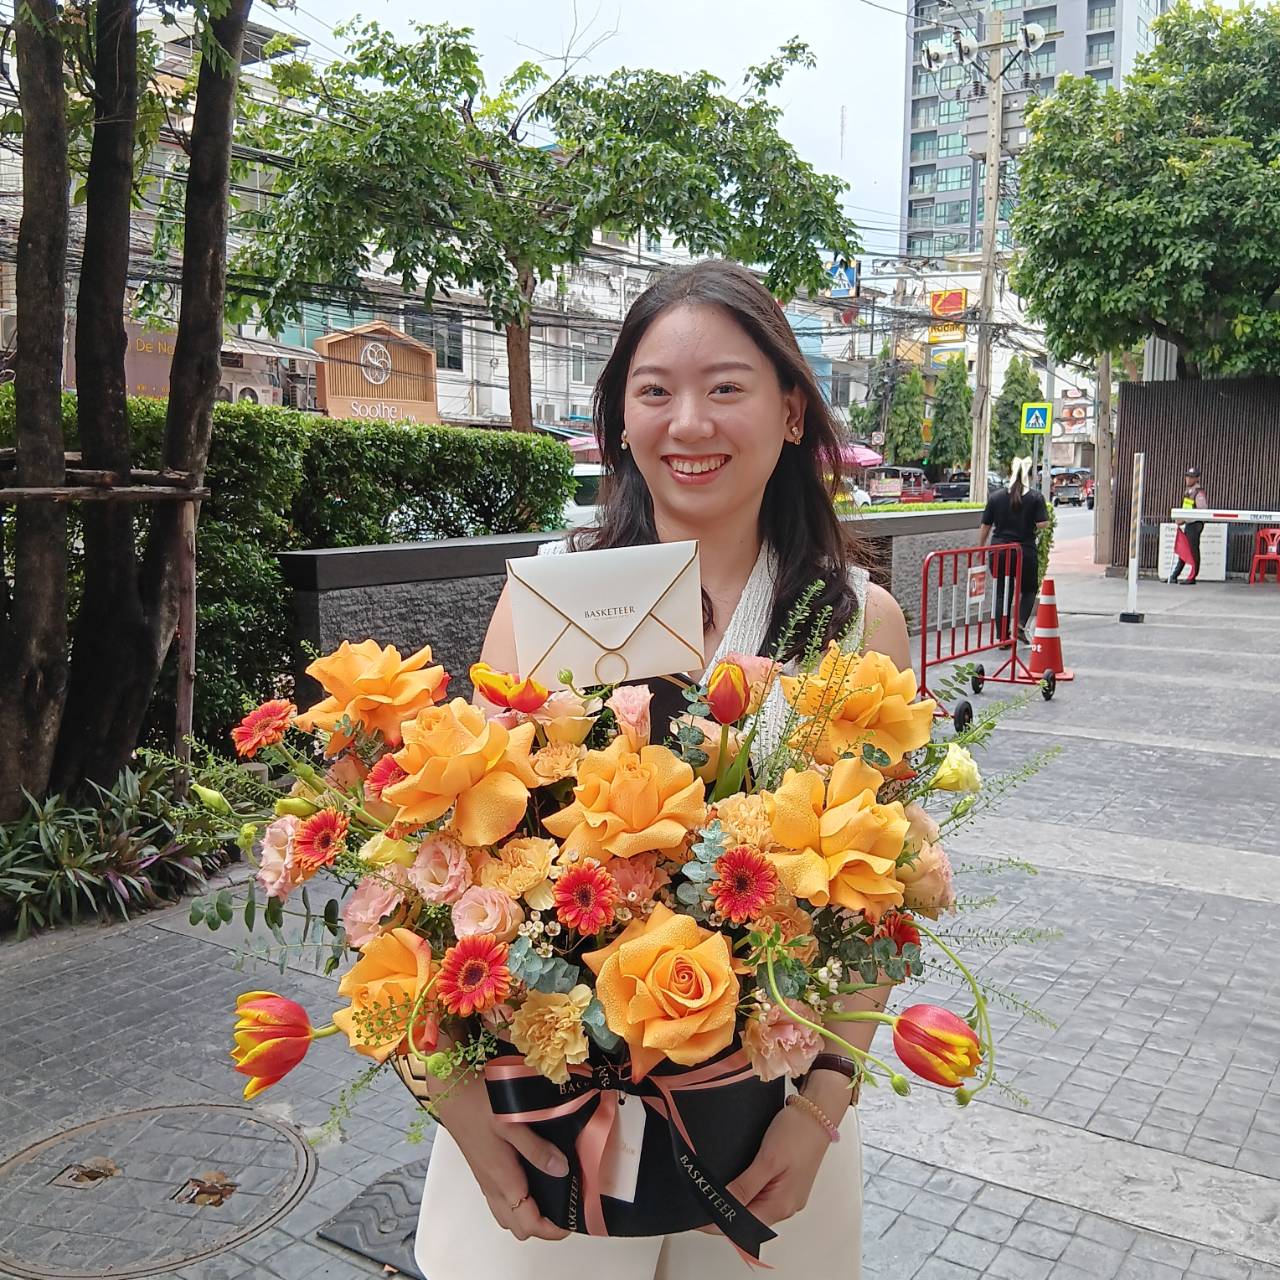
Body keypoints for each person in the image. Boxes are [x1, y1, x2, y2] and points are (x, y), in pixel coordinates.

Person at [412, 260, 912, 1279]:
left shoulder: (855, 622)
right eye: (653, 391)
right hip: (552, 1125)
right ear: (620, 420)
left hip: (766, 1132)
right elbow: (444, 870)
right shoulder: (545, 600)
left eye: (725, 386)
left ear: (787, 412)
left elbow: (881, 905)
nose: (688, 422)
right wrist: (451, 1098)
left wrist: (818, 1108)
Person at [976, 456, 1050, 645]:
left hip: (1000, 550)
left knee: (1002, 592)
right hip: (1024, 551)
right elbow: (1043, 523)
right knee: (1029, 590)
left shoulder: (996, 497)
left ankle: (1002, 637)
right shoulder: (1035, 497)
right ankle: (1020, 625)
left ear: (1010, 474)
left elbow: (985, 526)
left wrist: (980, 548)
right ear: (1029, 476)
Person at [1169, 465, 1207, 584]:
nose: (1188, 479)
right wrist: (1181, 518)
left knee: (1193, 550)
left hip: (1195, 525)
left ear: (1197, 479)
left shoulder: (1198, 494)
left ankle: (1192, 577)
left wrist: (1184, 519)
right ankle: (1174, 575)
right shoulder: (1188, 492)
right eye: (1187, 477)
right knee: (1184, 550)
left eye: (1191, 477)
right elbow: (1186, 508)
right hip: (1189, 524)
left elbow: (1202, 512)